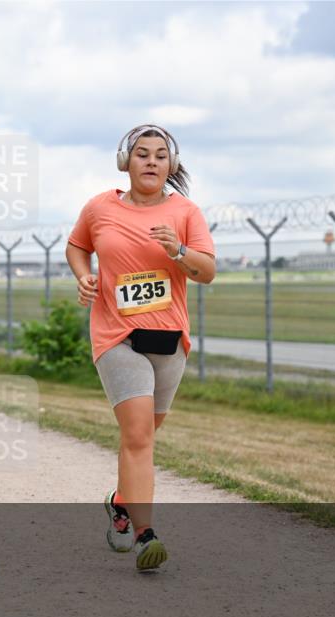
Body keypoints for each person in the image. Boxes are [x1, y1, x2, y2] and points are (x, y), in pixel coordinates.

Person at [66, 123, 216, 570]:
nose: (151, 161)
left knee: (146, 436)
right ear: (125, 162)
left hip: (168, 338)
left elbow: (206, 271)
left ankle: (119, 501)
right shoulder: (100, 207)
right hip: (115, 336)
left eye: (159, 155)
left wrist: (179, 251)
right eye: (141, 154)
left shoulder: (185, 212)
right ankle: (146, 533)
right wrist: (84, 276)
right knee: (136, 435)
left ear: (170, 164)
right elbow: (77, 247)